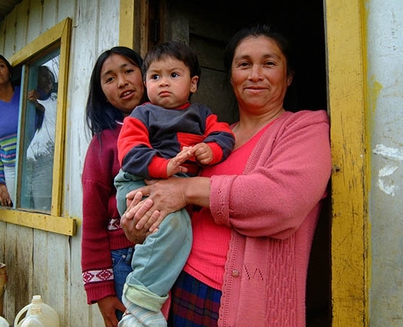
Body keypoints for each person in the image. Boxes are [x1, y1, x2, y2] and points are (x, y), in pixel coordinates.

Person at [121, 24, 332, 326]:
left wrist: (186, 190)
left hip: (244, 300)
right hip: (177, 287)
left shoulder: (305, 127)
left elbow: (281, 202)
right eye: (244, 64)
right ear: (231, 76)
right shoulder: (216, 140)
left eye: (269, 63)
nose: (255, 74)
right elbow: (171, 206)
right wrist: (141, 227)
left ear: (288, 76)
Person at [114, 41, 235, 326]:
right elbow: (131, 153)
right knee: (168, 227)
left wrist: (212, 150)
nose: (163, 83)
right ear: (145, 83)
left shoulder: (203, 115)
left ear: (193, 83)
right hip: (136, 182)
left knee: (177, 233)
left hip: (176, 186)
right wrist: (164, 167)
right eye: (155, 77)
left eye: (174, 75)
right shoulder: (141, 114)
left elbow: (224, 135)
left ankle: (145, 301)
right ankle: (140, 299)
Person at [80, 46, 147, 327]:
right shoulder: (103, 144)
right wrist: (101, 291)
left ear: (145, 73)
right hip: (125, 259)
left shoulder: (174, 126)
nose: (121, 82)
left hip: (176, 250)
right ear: (102, 93)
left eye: (128, 70)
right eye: (109, 78)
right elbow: (93, 221)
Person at [0, 54, 42, 207]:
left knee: (43, 207)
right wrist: (0, 184)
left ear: (9, 72)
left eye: (1, 65)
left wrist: (38, 105)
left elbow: (45, 123)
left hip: (39, 162)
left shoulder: (27, 93)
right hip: (12, 170)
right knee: (21, 211)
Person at [26, 65, 58, 211]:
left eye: (51, 79)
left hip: (51, 161)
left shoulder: (55, 102)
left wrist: (38, 105)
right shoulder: (25, 98)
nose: (48, 82)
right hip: (33, 161)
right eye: (44, 77)